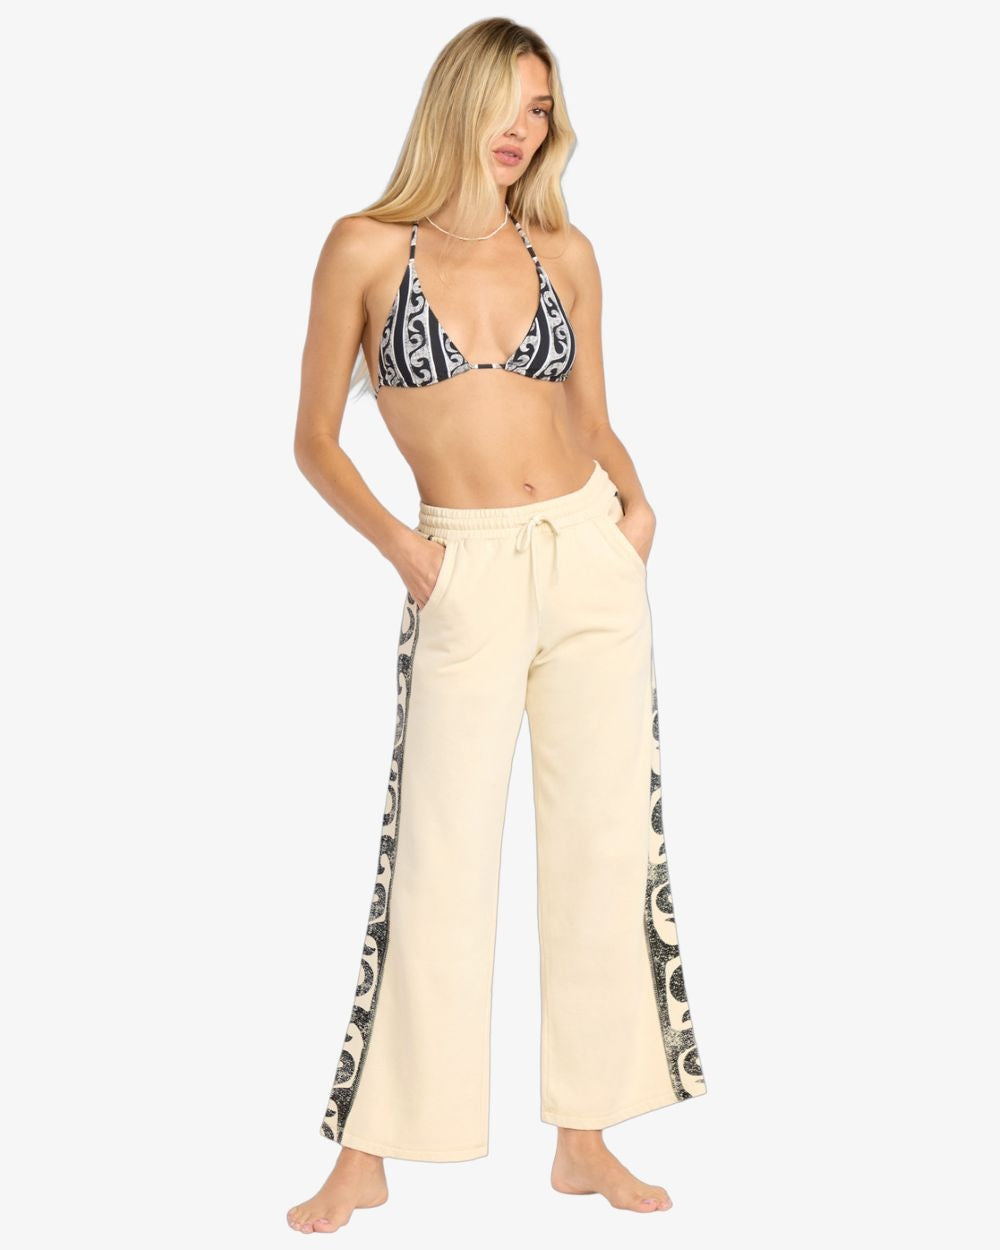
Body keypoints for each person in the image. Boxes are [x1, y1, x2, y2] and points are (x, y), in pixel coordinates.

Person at [286, 16, 707, 1234]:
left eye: (542, 109)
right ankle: (368, 1151)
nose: (525, 129)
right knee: (435, 858)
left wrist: (636, 510)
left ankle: (586, 1135)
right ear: (456, 101)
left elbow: (592, 415)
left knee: (603, 851)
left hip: (589, 560)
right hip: (458, 567)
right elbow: (313, 439)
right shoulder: (365, 246)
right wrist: (409, 552)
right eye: (509, 103)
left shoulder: (564, 252)